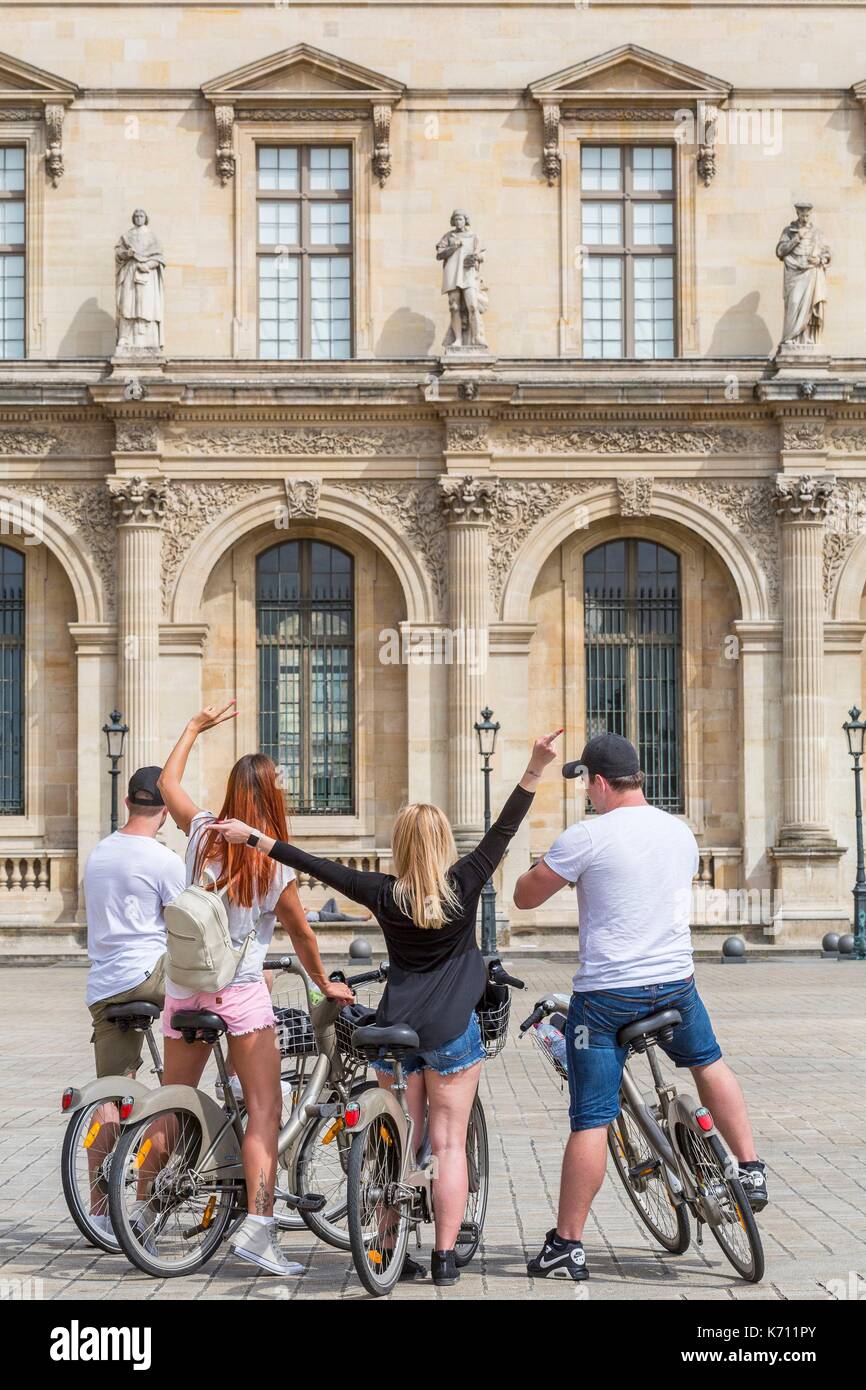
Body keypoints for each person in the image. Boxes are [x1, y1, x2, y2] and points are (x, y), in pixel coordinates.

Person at [215, 728, 563, 1287]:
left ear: (400, 847)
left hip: (393, 1033)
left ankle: (385, 1246)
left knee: (390, 1141)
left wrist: (254, 838)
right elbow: (506, 827)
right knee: (448, 1145)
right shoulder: (466, 882)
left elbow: (315, 864)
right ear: (445, 843)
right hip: (451, 1034)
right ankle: (446, 1260)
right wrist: (535, 766)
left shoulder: (382, 892)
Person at [513, 733, 768, 1283]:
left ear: (600, 783)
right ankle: (750, 1169)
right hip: (676, 985)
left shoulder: (586, 837)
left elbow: (524, 896)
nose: (587, 793)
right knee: (708, 1062)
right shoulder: (679, 832)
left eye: (587, 784)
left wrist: (547, 864)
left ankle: (567, 1246)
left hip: (607, 999)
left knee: (592, 1120)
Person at [157, 702, 353, 1277]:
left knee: (172, 1102)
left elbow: (168, 783)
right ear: (270, 801)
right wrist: (324, 985)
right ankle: (260, 1230)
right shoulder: (273, 867)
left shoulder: (201, 835)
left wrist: (192, 727)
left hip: (184, 988)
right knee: (265, 1109)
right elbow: (302, 935)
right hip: (238, 995)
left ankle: (140, 1207)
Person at [82, 765, 185, 1241]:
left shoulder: (99, 854)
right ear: (164, 810)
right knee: (225, 986)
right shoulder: (164, 860)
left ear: (127, 803)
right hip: (150, 977)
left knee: (109, 1092)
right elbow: (186, 925)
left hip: (105, 987)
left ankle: (100, 1213)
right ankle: (145, 1204)